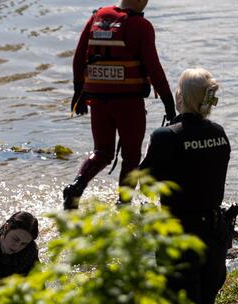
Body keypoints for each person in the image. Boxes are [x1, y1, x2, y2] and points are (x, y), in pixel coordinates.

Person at [139, 67, 231, 304]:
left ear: (179, 96)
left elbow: (147, 183)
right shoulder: (218, 133)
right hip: (215, 237)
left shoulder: (166, 136)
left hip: (180, 235)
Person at [63, 0, 175, 210]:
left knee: (102, 152)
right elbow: (154, 68)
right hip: (128, 102)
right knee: (131, 156)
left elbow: (79, 58)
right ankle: (123, 205)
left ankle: (77, 186)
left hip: (97, 100)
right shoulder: (141, 26)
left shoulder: (95, 18)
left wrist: (78, 93)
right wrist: (170, 105)